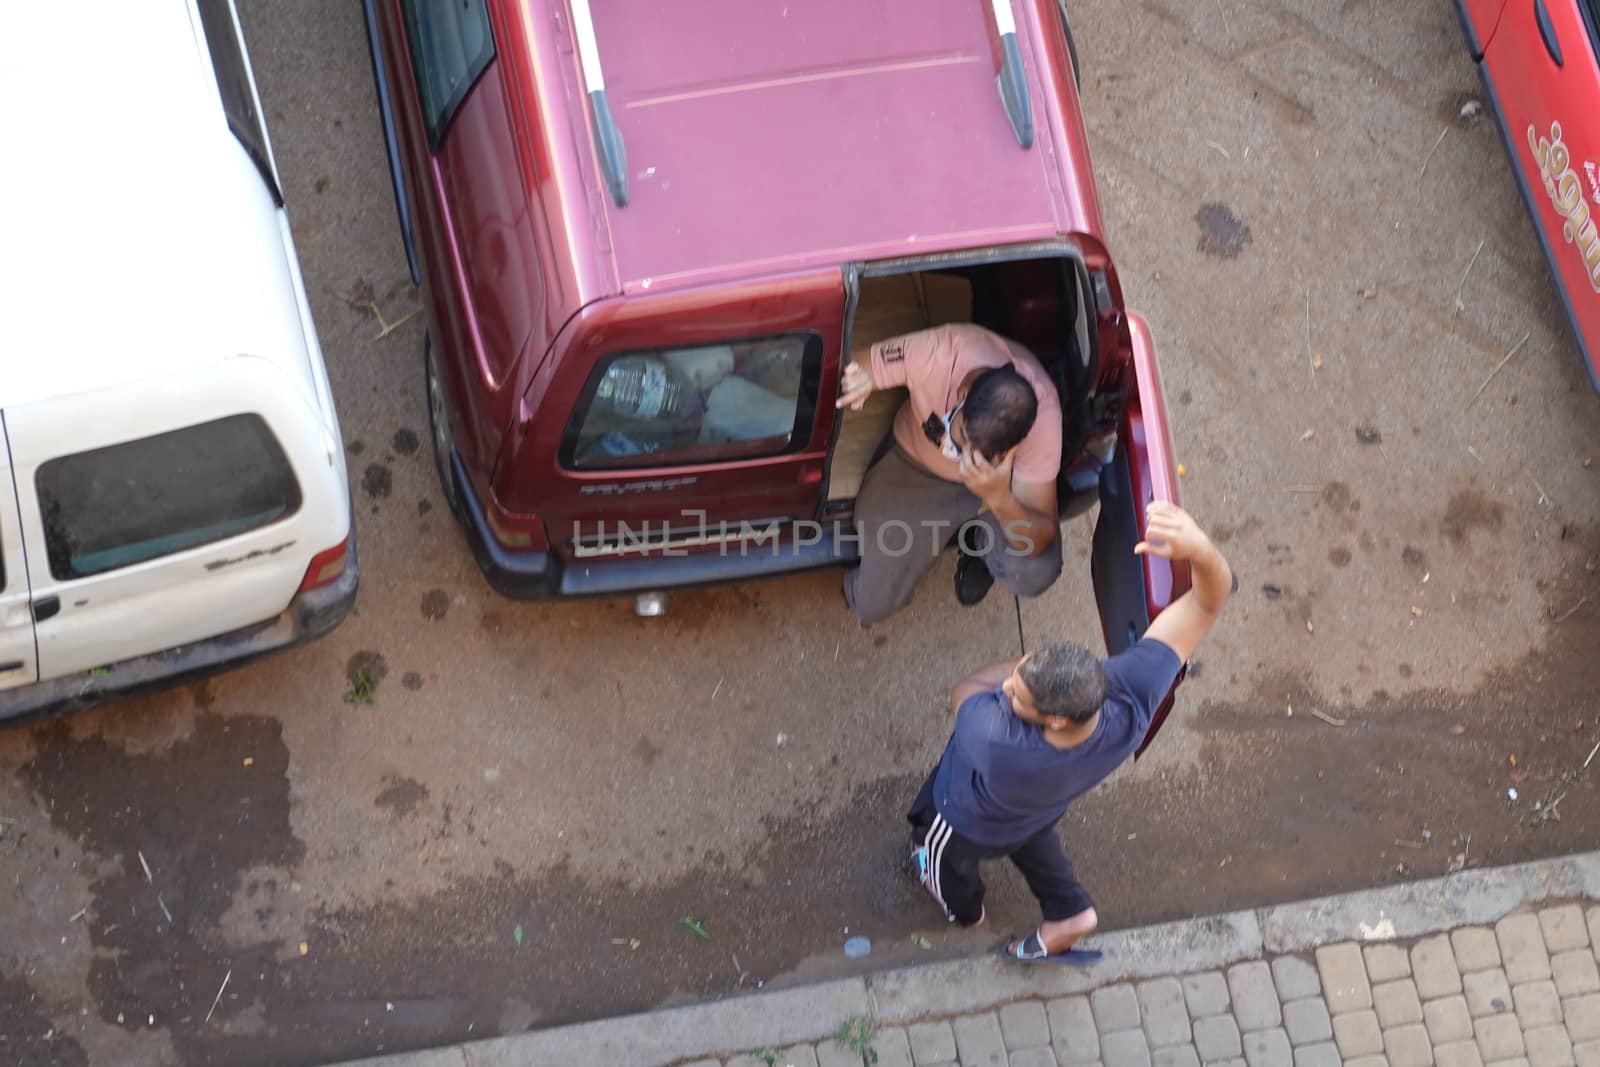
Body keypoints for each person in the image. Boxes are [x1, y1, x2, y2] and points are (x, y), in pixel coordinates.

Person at [905, 503, 1232, 962]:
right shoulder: (1132, 702)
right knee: (1033, 843)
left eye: (1016, 695)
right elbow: (1206, 601)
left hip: (967, 820)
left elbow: (965, 690)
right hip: (1038, 810)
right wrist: (1201, 549)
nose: (1004, 690)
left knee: (941, 860)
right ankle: (1069, 913)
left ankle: (967, 914)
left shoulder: (997, 742)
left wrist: (1019, 669)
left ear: (1057, 718)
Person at [836, 323, 1063, 623]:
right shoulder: (937, 353)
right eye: (959, 439)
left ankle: (982, 552)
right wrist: (858, 380)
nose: (962, 458)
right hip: (918, 470)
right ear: (962, 394)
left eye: (981, 455)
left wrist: (998, 497)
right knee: (872, 603)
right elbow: (857, 363)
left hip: (997, 491)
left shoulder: (1044, 420)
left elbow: (1040, 535)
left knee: (1036, 568)